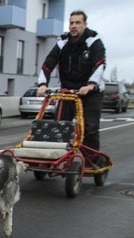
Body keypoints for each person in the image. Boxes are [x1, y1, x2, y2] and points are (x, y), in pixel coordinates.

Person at [37, 9, 106, 163]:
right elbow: (48, 65)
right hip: (68, 92)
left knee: (89, 128)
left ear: (84, 25)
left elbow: (100, 64)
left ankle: (91, 161)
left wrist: (91, 84)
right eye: (71, 23)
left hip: (90, 92)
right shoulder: (62, 42)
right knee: (61, 125)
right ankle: (57, 158)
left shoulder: (94, 41)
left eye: (77, 23)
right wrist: (42, 84)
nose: (73, 26)